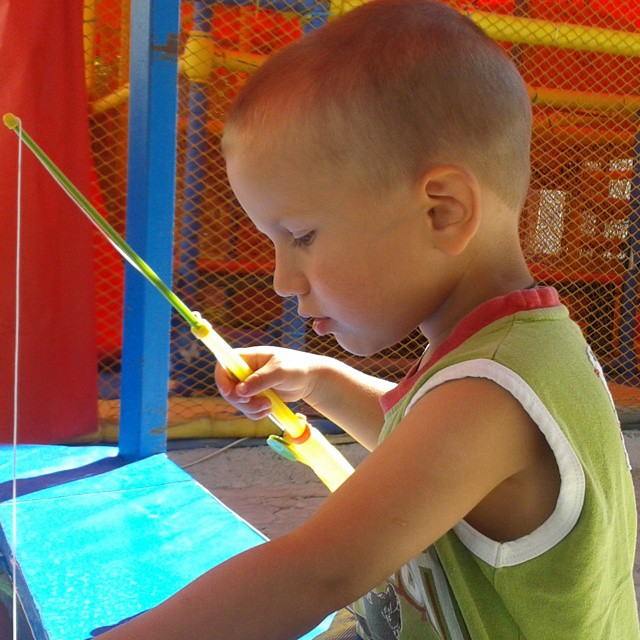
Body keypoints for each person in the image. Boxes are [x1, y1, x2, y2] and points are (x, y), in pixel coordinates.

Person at [101, 1, 639, 638]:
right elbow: (419, 445)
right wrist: (322, 380)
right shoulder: (519, 351)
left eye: (301, 236)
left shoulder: (490, 393)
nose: (282, 280)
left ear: (442, 212)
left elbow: (315, 574)